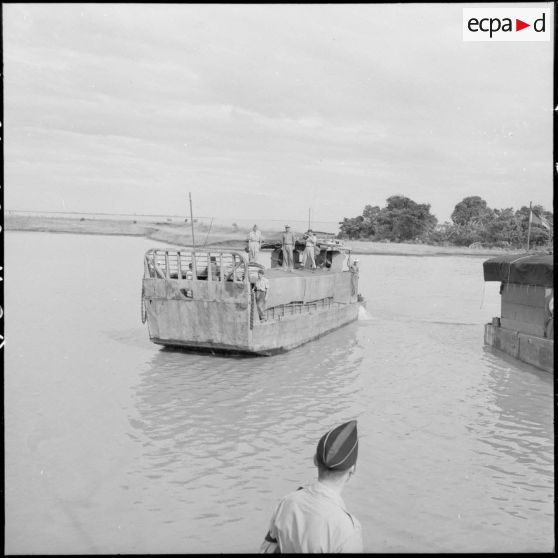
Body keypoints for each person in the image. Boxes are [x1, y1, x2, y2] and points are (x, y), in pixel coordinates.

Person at [261, 420, 362, 553]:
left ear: (315, 460)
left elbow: (266, 549)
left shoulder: (286, 502)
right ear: (353, 469)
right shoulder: (348, 529)